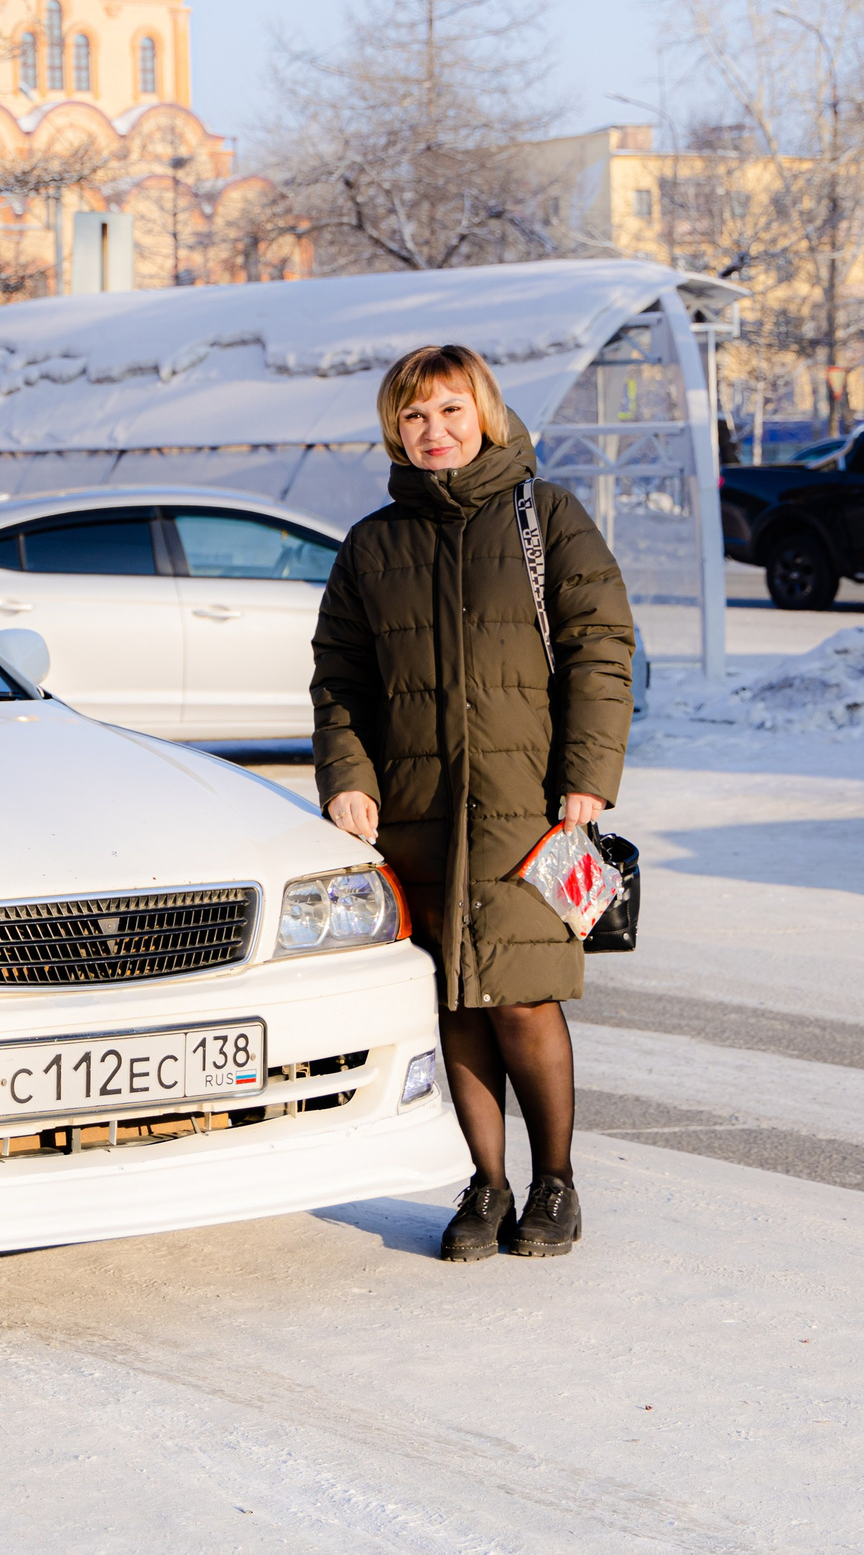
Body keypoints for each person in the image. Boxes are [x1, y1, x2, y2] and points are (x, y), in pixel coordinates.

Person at [309, 343, 633, 1263]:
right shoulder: (375, 544)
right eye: (414, 417)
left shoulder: (547, 516)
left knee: (522, 998)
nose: (433, 431)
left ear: (484, 413)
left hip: (527, 804)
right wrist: (348, 777)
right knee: (453, 998)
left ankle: (555, 1182)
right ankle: (486, 1184)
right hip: (417, 809)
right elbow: (341, 679)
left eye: (451, 411)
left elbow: (601, 646)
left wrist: (587, 773)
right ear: (393, 430)